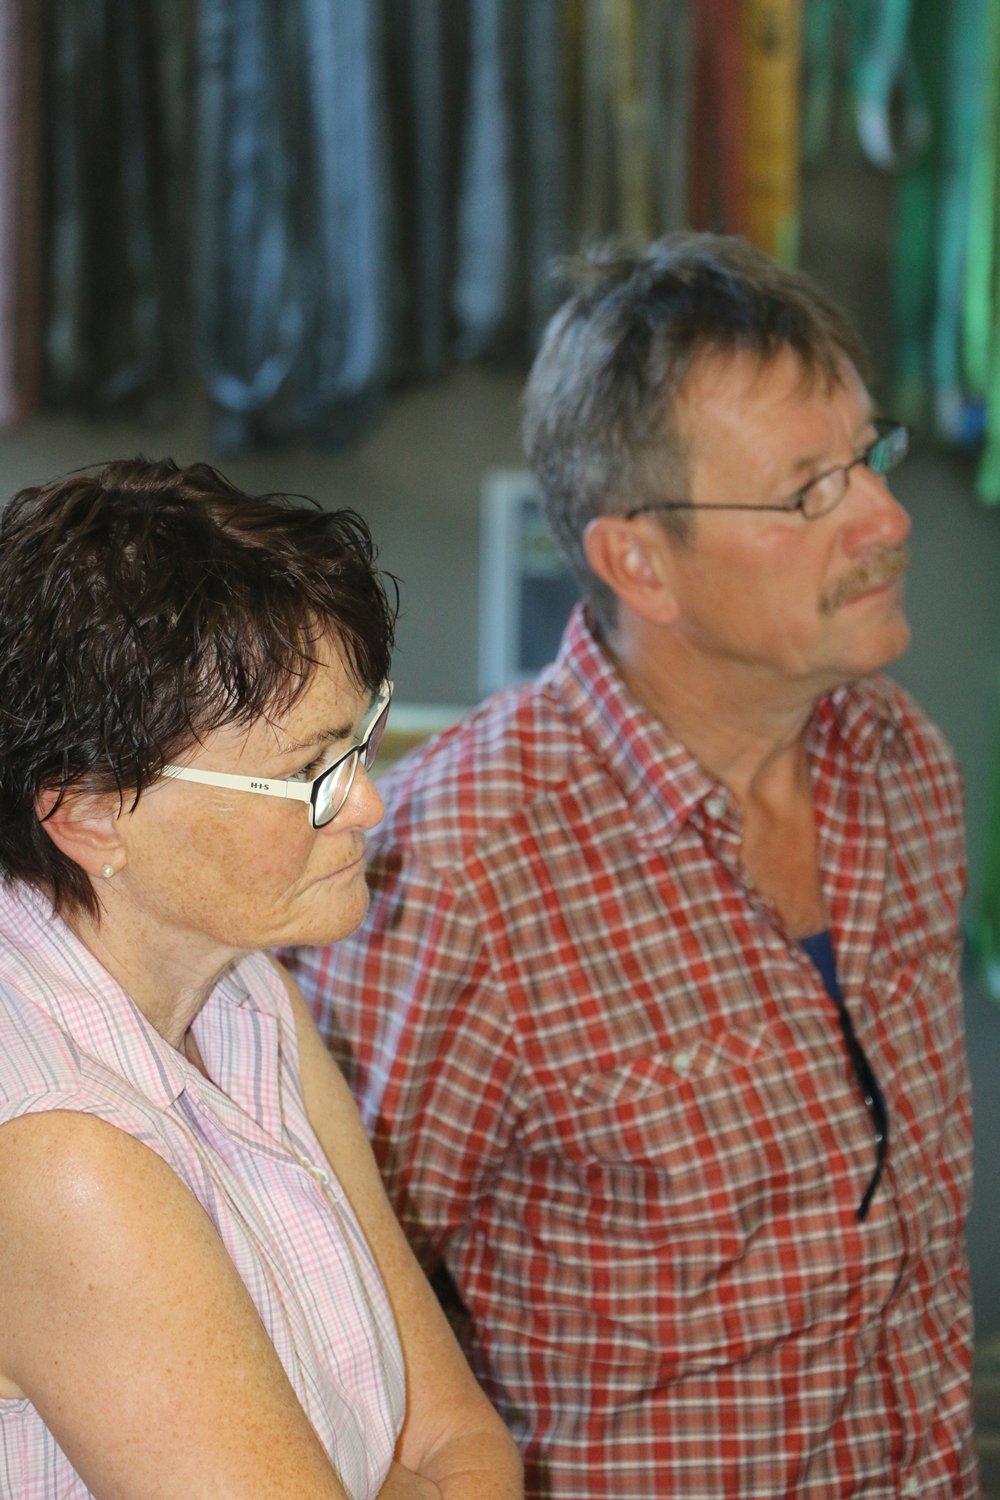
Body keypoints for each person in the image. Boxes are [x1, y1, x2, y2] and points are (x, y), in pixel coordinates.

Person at [282, 233, 981, 1498]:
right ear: (637, 562)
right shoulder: (458, 871)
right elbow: (315, 1335)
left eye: (870, 456)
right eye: (808, 492)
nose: (885, 519)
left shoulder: (899, 764)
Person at [0, 458, 523, 1500]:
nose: (368, 806)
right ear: (91, 814)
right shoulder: (57, 1145)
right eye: (307, 773)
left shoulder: (244, 987)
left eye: (359, 740)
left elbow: (459, 1442)